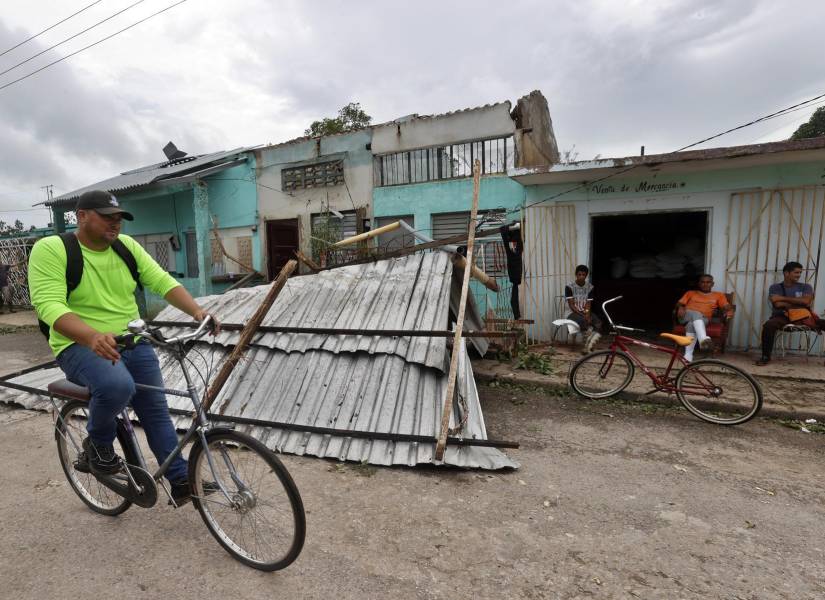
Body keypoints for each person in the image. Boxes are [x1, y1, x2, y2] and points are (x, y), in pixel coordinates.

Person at [28, 190, 220, 505]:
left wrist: (197, 312)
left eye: (118, 218)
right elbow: (48, 305)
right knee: (118, 386)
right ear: (82, 216)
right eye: (107, 216)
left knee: (155, 408)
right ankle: (98, 446)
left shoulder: (126, 247)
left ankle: (180, 478)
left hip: (132, 339)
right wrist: (91, 336)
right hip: (78, 344)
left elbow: (162, 281)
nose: (115, 223)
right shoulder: (51, 249)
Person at [756, 261, 825, 365]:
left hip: (804, 317)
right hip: (782, 316)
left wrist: (782, 298)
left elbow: (806, 301)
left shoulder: (806, 287)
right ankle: (765, 356)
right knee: (769, 325)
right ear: (786, 273)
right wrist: (798, 302)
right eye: (796, 272)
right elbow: (777, 304)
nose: (799, 275)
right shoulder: (775, 287)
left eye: (800, 273)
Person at [675, 274, 734, 362]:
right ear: (699, 283)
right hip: (686, 316)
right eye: (702, 282)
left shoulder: (719, 295)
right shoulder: (690, 293)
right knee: (696, 314)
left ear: (712, 284)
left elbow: (726, 306)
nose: (705, 284)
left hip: (704, 320)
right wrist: (680, 307)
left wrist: (728, 310)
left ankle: (688, 355)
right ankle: (702, 339)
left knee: (691, 324)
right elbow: (679, 303)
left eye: (708, 282)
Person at [565, 265, 603, 353]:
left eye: (583, 275)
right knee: (585, 322)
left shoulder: (590, 287)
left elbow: (588, 303)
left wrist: (587, 314)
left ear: (586, 275)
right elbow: (571, 305)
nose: (581, 276)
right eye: (579, 274)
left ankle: (589, 345)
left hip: (584, 311)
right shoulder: (569, 287)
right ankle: (586, 344)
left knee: (598, 323)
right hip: (571, 312)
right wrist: (584, 315)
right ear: (576, 275)